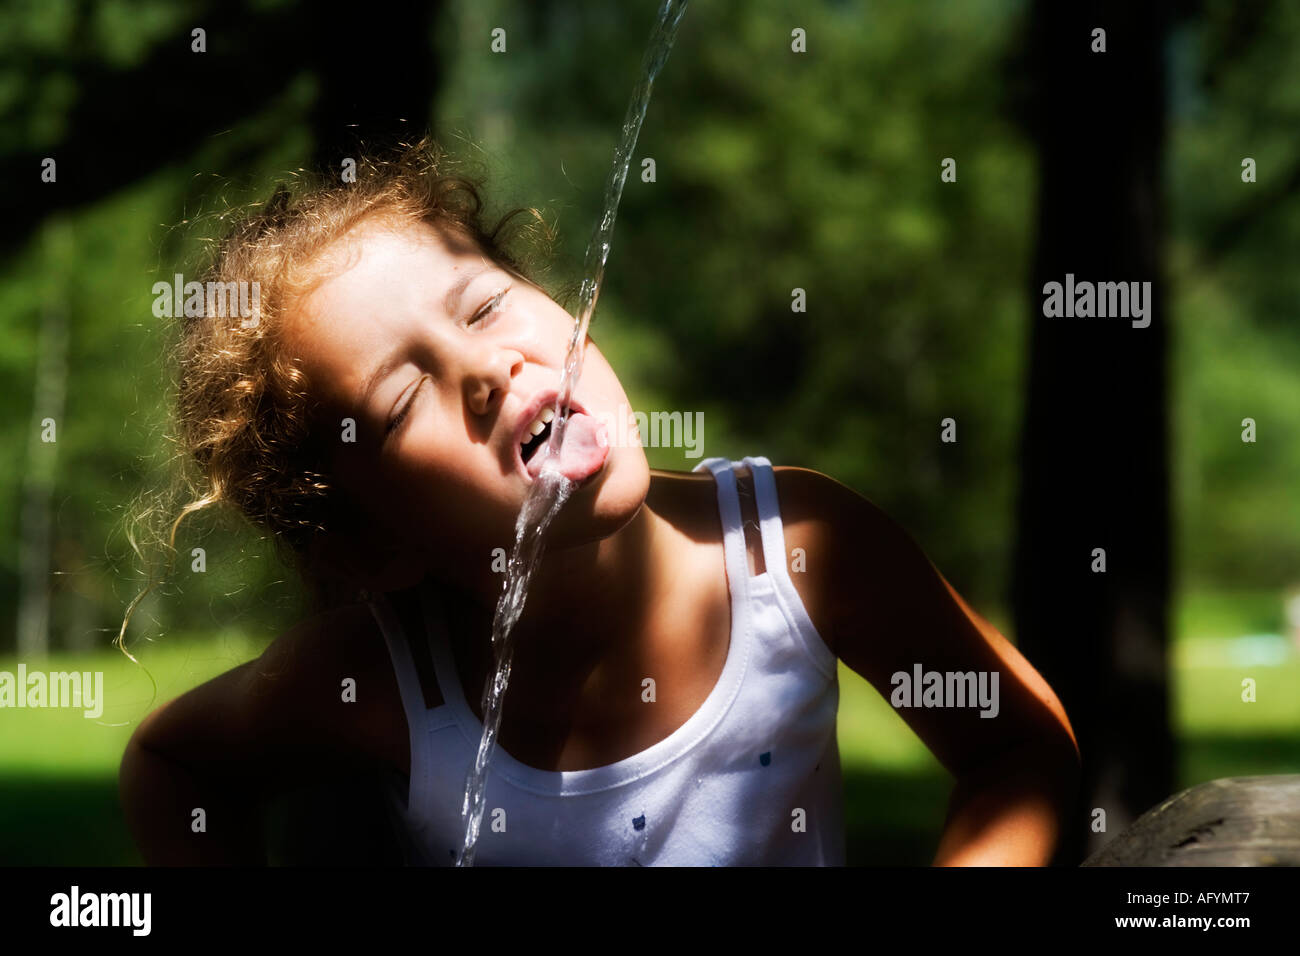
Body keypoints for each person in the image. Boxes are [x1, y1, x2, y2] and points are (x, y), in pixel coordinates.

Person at [118, 138, 1079, 866]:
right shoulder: (390, 684)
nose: (489, 368)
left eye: (485, 306)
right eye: (404, 400)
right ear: (373, 545)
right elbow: (173, 763)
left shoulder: (790, 551)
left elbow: (1017, 754)